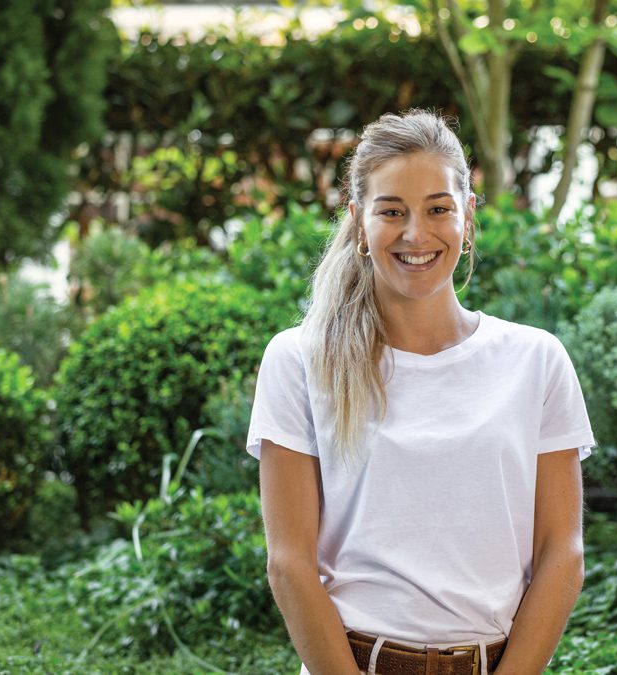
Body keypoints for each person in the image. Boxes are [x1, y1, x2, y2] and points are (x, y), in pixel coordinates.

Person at [246, 108, 597, 675]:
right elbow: (289, 564)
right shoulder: (300, 360)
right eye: (392, 211)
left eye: (438, 209)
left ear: (468, 215)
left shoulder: (536, 360)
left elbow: (563, 554)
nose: (416, 234)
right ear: (359, 222)